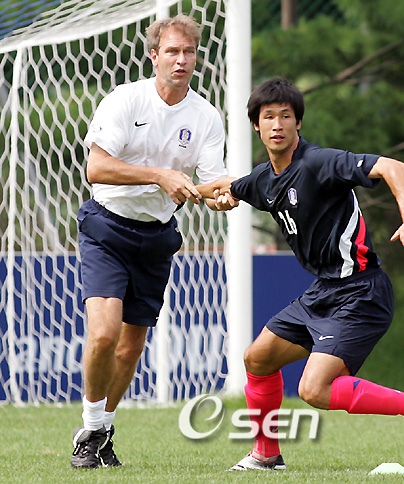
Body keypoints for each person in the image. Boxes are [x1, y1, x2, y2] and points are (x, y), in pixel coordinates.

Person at [196, 77, 404, 471]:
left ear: (298, 122)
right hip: (324, 292)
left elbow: (393, 167)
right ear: (256, 126)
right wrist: (190, 191)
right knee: (258, 359)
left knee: (314, 389)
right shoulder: (264, 179)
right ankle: (266, 455)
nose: (278, 124)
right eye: (269, 117)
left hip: (362, 291)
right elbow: (227, 186)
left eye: (286, 116)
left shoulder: (319, 163)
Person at [72, 14, 237, 469]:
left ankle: (103, 431)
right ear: (154, 56)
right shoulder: (126, 100)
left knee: (130, 348)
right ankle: (89, 429)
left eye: (189, 52)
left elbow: (211, 184)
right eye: (172, 51)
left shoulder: (206, 116)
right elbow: (96, 169)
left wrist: (224, 197)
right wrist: (159, 176)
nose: (181, 60)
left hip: (157, 236)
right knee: (104, 334)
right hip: (107, 228)